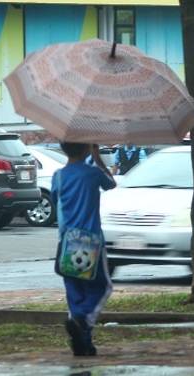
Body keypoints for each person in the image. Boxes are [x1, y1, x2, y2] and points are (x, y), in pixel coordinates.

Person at [51, 142, 116, 356]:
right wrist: (98, 159)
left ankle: (82, 341)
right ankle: (84, 322)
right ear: (86, 148)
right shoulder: (93, 174)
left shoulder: (58, 176)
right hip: (92, 242)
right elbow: (111, 184)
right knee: (101, 287)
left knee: (75, 292)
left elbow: (55, 201)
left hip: (67, 241)